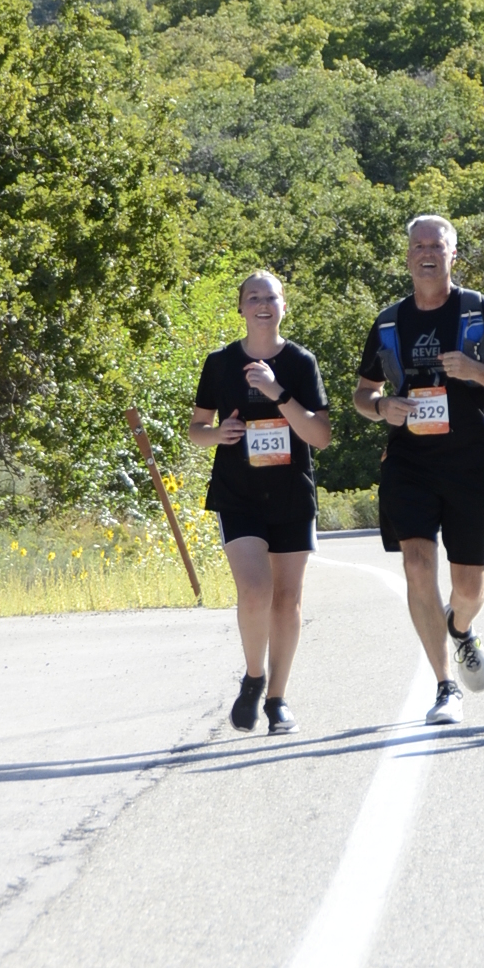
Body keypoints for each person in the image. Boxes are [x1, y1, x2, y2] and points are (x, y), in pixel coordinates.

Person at [353, 215, 484, 726]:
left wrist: (477, 371)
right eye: (418, 246)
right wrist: (381, 407)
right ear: (408, 256)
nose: (427, 253)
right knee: (416, 563)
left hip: (474, 462)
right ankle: (444, 685)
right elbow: (363, 393)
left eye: (437, 246)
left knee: (469, 587)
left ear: (453, 255)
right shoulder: (389, 321)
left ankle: (461, 628)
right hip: (410, 462)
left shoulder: (477, 309)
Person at [190, 269, 332, 735]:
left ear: (283, 306)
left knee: (287, 600)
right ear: (241, 308)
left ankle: (277, 699)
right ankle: (254, 678)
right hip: (239, 494)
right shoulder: (220, 363)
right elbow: (196, 431)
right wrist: (217, 434)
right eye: (253, 298)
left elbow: (320, 436)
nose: (263, 305)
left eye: (271, 297)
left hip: (291, 494)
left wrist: (277, 392)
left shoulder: (300, 362)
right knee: (255, 591)